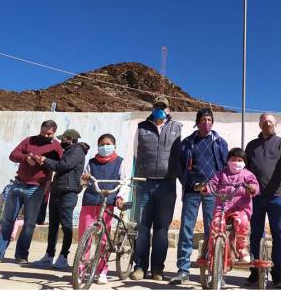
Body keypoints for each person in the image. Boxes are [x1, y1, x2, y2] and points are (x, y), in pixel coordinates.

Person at [0, 120, 63, 265]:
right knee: (7, 220)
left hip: (37, 188)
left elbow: (60, 165)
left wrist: (44, 161)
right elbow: (13, 155)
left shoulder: (56, 146)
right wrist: (26, 158)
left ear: (54, 133)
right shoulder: (29, 140)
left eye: (49, 134)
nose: (45, 135)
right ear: (40, 129)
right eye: (43, 132)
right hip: (18, 184)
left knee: (29, 223)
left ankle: (21, 255)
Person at [169, 108, 228, 285]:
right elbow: (179, 167)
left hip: (213, 193)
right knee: (187, 228)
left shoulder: (220, 142)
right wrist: (187, 182)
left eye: (209, 119)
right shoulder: (187, 142)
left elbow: (225, 167)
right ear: (197, 121)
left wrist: (219, 187)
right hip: (191, 192)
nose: (206, 122)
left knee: (213, 230)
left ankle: (214, 271)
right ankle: (183, 270)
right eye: (203, 119)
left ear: (213, 122)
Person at [245, 113, 281, 289]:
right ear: (260, 124)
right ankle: (255, 272)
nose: (267, 123)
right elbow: (245, 167)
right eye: (264, 120)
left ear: (275, 124)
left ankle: (277, 276)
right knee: (255, 234)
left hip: (276, 196)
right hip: (256, 197)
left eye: (270, 120)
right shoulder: (251, 145)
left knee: (278, 234)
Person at [131, 96, 182, 281]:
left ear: (169, 109)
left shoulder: (177, 128)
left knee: (162, 229)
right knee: (143, 227)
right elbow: (136, 153)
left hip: (167, 184)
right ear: (153, 108)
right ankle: (139, 267)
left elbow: (179, 154)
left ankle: (158, 269)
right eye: (157, 106)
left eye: (163, 106)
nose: (160, 109)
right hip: (145, 182)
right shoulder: (142, 127)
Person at [33, 129, 89, 269]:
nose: (62, 141)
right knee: (53, 226)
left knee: (66, 226)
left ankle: (63, 256)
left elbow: (63, 166)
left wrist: (45, 160)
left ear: (71, 139)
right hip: (57, 191)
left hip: (68, 193)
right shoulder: (69, 151)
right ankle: (49, 255)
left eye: (64, 139)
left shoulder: (77, 151)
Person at [79, 133, 128, 285]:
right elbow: (84, 181)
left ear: (114, 146)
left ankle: (102, 270)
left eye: (108, 144)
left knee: (103, 239)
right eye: (102, 144)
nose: (104, 146)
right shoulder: (91, 162)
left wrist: (120, 197)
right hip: (90, 202)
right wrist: (84, 179)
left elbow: (124, 181)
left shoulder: (120, 162)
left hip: (107, 202)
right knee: (84, 238)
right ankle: (81, 270)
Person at [203, 148, 259, 264]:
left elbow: (254, 186)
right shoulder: (221, 173)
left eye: (239, 160)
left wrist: (251, 189)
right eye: (233, 159)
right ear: (228, 161)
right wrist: (205, 188)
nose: (236, 163)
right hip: (222, 208)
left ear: (244, 162)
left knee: (242, 223)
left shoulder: (247, 174)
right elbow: (212, 184)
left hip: (241, 208)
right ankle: (213, 250)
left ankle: (242, 248)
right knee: (216, 224)